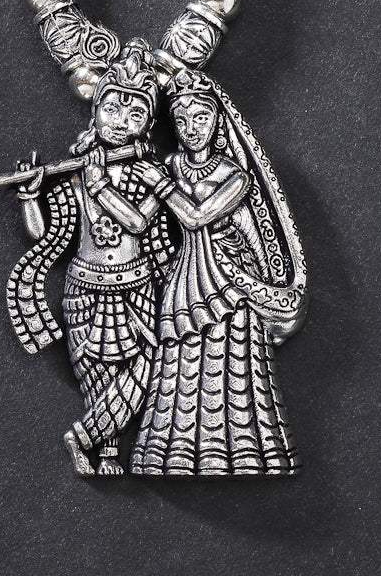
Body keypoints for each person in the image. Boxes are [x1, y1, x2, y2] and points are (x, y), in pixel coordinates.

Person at [6, 39, 175, 476]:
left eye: (135, 114)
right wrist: (29, 197)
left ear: (149, 124)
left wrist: (100, 183)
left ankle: (81, 436)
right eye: (112, 109)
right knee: (95, 376)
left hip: (138, 288)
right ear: (95, 111)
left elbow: (139, 223)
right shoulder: (74, 175)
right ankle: (108, 452)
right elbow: (45, 234)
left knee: (146, 368)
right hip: (83, 288)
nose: (120, 122)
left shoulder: (151, 175)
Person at [129, 66, 306, 477]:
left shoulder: (234, 175)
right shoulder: (171, 165)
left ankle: (246, 453)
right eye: (181, 120)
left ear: (217, 121)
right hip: (183, 279)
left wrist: (161, 184)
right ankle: (170, 455)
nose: (191, 129)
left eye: (201, 118)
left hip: (229, 278)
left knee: (234, 362)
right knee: (180, 363)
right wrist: (103, 179)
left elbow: (196, 217)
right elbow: (140, 222)